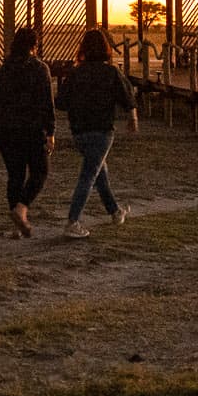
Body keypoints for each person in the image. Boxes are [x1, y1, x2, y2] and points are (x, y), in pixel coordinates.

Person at [55, 28, 137, 238]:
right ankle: (73, 221)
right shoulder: (110, 72)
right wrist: (133, 118)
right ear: (105, 48)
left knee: (99, 171)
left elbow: (61, 102)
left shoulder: (75, 73)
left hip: (79, 131)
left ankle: (115, 211)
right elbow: (127, 97)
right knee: (89, 175)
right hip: (102, 131)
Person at [0, 27, 54, 237]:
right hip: (31, 128)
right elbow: (46, 103)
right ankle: (22, 209)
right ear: (34, 46)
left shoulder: (3, 70)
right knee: (40, 171)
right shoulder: (40, 69)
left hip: (5, 130)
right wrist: (50, 132)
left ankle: (16, 226)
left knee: (15, 175)